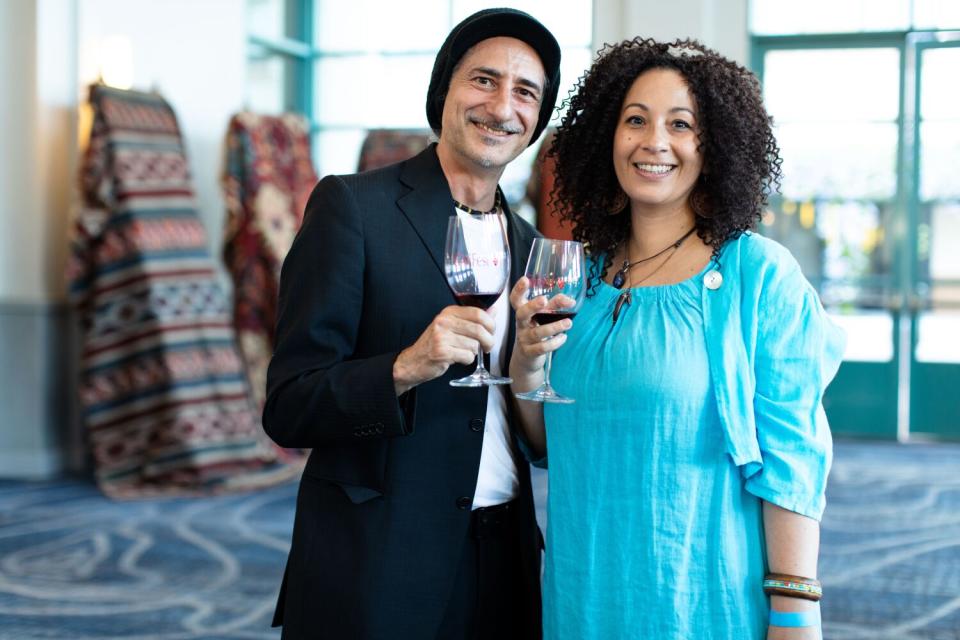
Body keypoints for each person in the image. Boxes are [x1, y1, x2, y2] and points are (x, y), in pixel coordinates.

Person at [509, 38, 846, 640]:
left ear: (712, 148)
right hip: (582, 593)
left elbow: (793, 463)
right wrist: (526, 367)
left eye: (681, 124)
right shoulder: (575, 279)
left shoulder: (756, 276)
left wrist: (795, 615)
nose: (653, 141)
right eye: (634, 120)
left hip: (701, 601)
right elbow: (550, 442)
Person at [262, 8, 561, 640]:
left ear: (535, 121)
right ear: (444, 91)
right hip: (377, 563)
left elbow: (536, 443)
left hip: (502, 557)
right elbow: (289, 406)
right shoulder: (353, 207)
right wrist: (405, 367)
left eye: (525, 92)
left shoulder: (533, 249)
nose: (502, 105)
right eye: (483, 80)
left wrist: (530, 373)